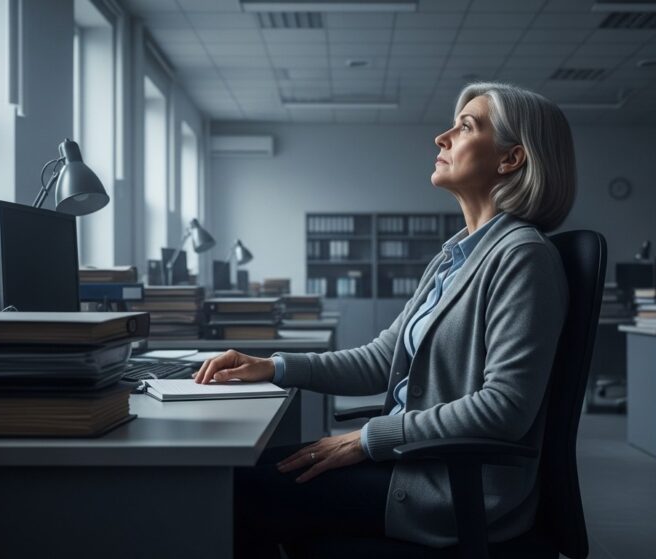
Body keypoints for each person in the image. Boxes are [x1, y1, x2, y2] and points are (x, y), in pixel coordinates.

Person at [194, 82, 577, 557]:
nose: (442, 137)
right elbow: (382, 359)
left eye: (466, 126)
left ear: (511, 160)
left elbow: (504, 408)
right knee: (246, 479)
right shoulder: (453, 257)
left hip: (449, 487)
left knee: (234, 488)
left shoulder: (522, 257)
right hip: (411, 461)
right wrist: (274, 366)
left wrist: (369, 439)